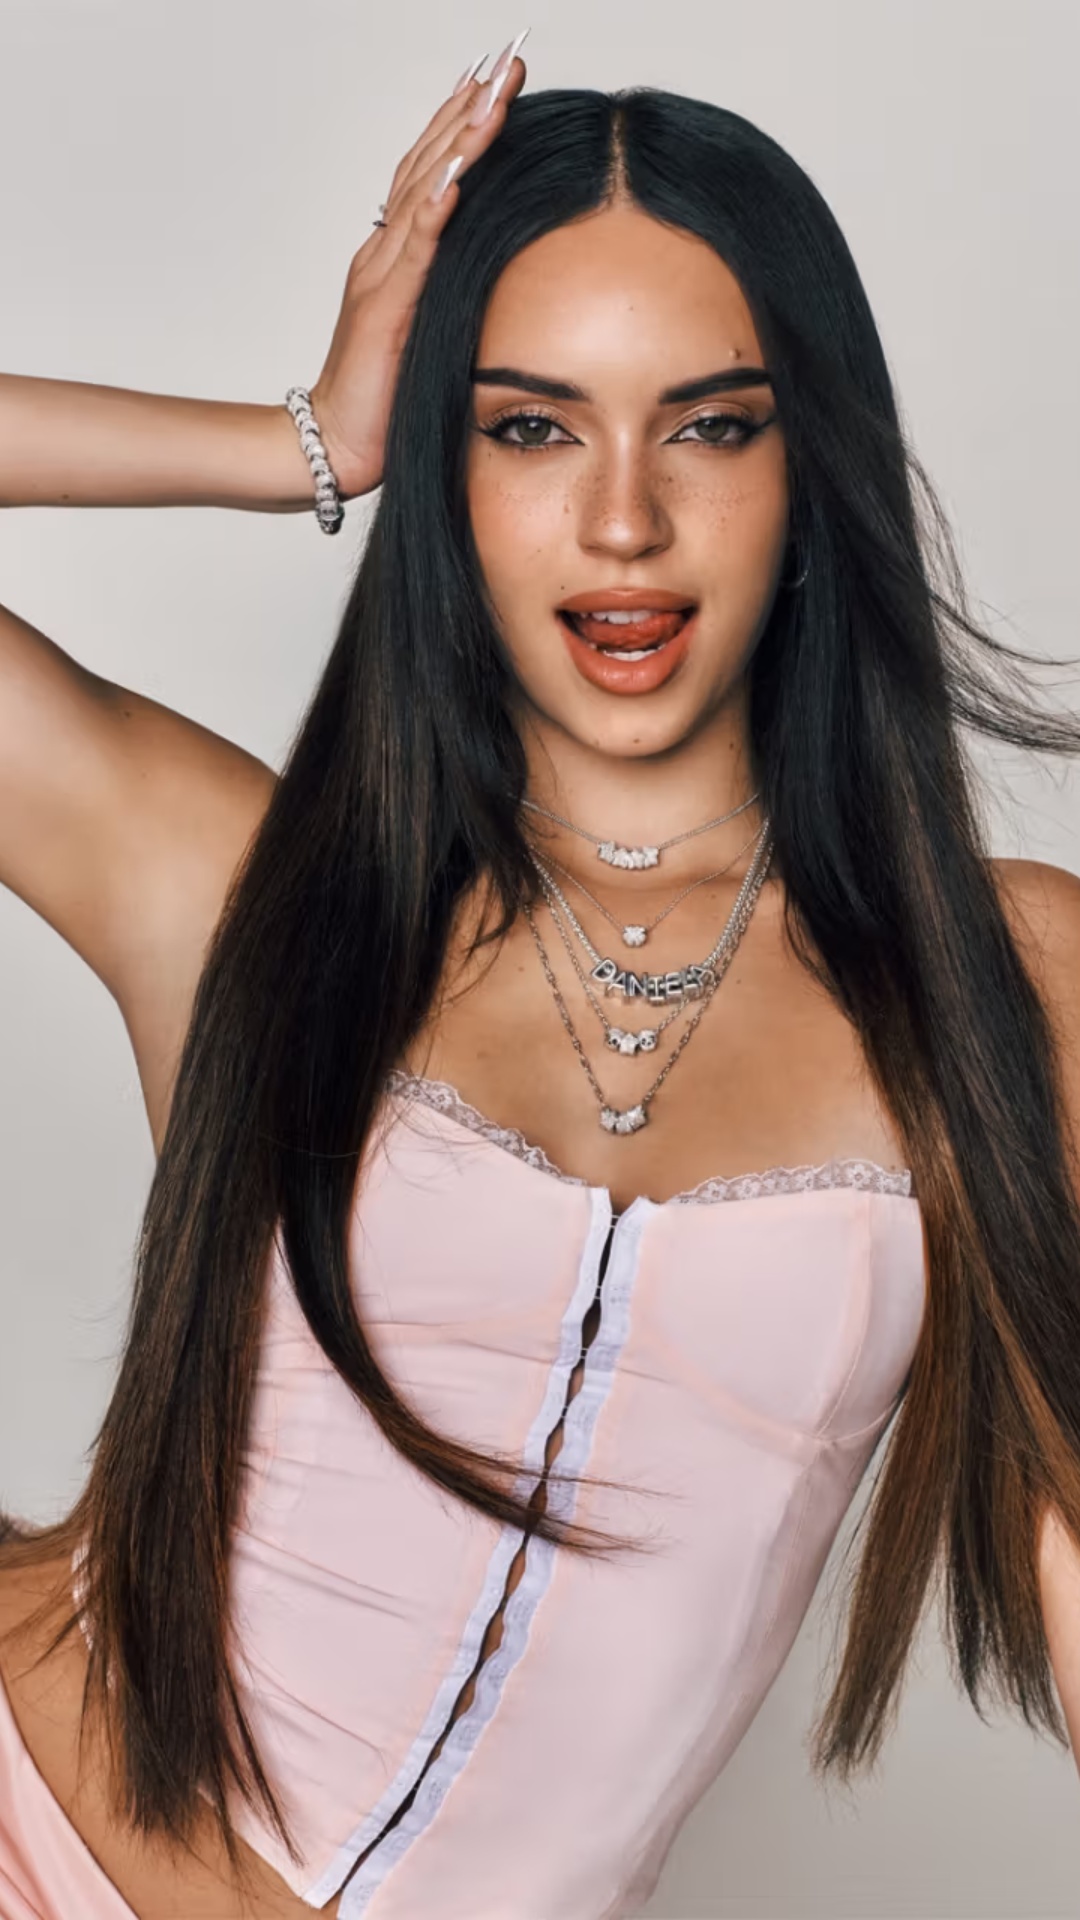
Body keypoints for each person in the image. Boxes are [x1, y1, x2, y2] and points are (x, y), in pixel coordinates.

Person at [2, 36, 1080, 1920]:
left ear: (810, 461)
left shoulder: (1012, 979)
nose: (623, 521)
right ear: (447, 468)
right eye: (529, 427)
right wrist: (303, 442)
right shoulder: (242, 895)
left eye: (712, 426)